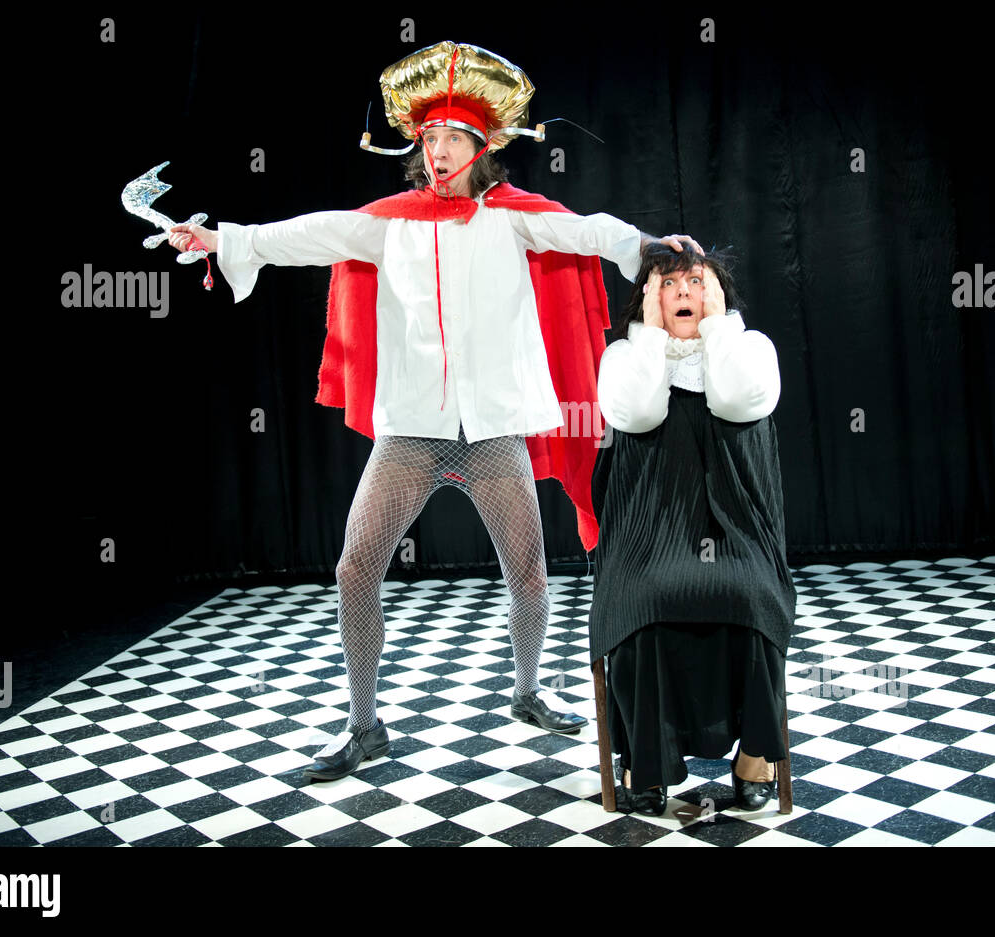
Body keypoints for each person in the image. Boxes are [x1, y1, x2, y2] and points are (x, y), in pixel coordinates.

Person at [166, 41, 702, 783]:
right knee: (356, 567)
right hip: (410, 435)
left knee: (530, 574)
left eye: (454, 139)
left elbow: (586, 229)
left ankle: (526, 690)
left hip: (493, 437)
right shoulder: (391, 223)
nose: (440, 150)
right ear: (418, 149)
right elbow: (301, 234)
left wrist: (644, 246)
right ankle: (363, 724)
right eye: (430, 139)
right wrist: (219, 238)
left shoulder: (513, 218)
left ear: (482, 150)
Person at [589, 242, 797, 815]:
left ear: (720, 293)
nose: (684, 292)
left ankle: (756, 758)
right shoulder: (624, 357)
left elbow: (735, 400)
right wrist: (652, 338)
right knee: (644, 600)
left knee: (752, 596)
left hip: (736, 531)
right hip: (648, 535)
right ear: (648, 299)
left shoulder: (751, 349)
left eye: (697, 282)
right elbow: (638, 413)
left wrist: (717, 331)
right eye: (669, 283)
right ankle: (646, 765)